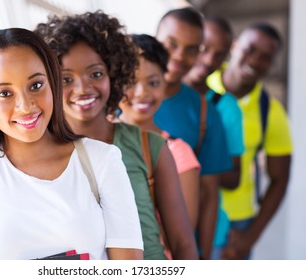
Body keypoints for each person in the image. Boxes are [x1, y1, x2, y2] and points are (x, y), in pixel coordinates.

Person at [0, 28, 144, 260]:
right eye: (5, 93)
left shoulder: (102, 160)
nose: (26, 106)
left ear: (53, 84)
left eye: (36, 86)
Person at [35, 11, 198, 260]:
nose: (83, 88)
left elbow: (183, 244)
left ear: (115, 73)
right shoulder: (39, 153)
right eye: (66, 79)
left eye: (96, 74)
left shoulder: (150, 146)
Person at [207, 22, 292, 259]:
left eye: (266, 57)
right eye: (250, 49)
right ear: (234, 46)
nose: (254, 61)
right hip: (188, 208)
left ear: (273, 65)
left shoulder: (271, 112)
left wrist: (250, 236)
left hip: (236, 223)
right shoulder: (200, 82)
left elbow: (280, 178)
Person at [154, 7, 232, 259]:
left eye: (190, 49)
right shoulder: (120, 97)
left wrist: (204, 256)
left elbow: (209, 193)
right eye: (171, 44)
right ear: (156, 39)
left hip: (177, 249)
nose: (178, 56)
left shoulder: (204, 112)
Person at [118, 34, 200, 230]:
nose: (141, 93)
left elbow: (183, 234)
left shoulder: (179, 153)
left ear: (165, 83)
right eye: (130, 82)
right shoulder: (96, 141)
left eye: (153, 83)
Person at [183, 17, 244, 259]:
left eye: (219, 55)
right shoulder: (151, 99)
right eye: (204, 48)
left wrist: (192, 165)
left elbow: (233, 177)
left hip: (207, 231)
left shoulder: (223, 107)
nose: (209, 60)